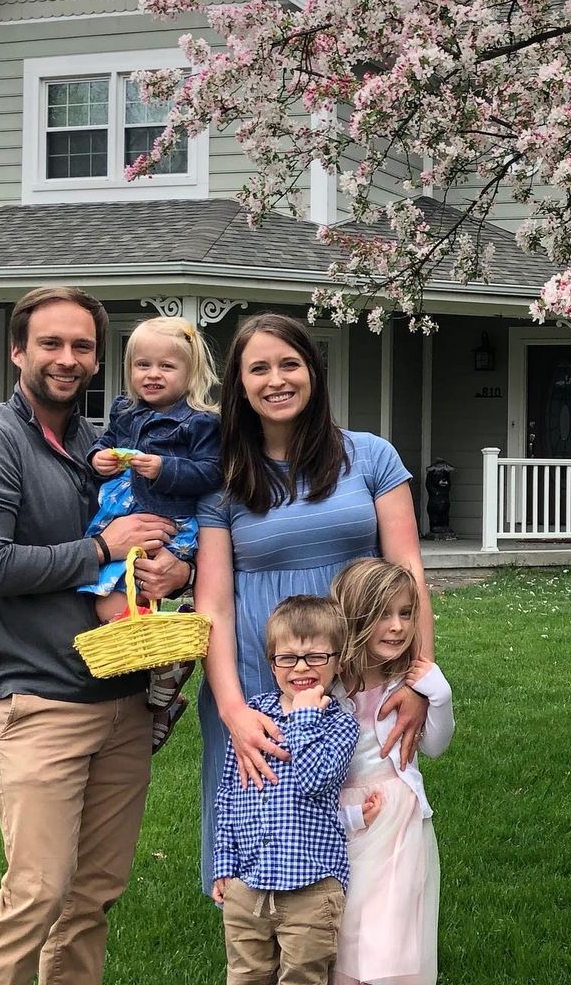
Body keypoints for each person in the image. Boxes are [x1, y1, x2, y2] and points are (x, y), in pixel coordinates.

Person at [0, 286, 190, 985]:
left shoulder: (100, 444)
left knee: (92, 897)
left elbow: (154, 527)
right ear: (18, 351)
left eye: (82, 346)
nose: (67, 359)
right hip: (38, 702)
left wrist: (176, 566)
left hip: (124, 703)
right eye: (50, 343)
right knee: (37, 895)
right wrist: (102, 549)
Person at [195, 313, 435, 893]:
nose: (276, 380)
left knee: (368, 818)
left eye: (290, 364)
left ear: (314, 372)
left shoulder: (371, 457)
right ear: (239, 384)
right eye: (259, 368)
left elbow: (409, 572)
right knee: (265, 836)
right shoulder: (222, 476)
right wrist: (232, 710)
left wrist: (419, 680)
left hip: (363, 675)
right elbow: (213, 607)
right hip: (260, 682)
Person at [81, 316, 221, 739]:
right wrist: (98, 459)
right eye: (143, 365)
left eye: (166, 366)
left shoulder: (200, 422)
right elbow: (104, 443)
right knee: (109, 605)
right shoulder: (125, 411)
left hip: (168, 522)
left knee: (148, 589)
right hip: (120, 517)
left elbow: (212, 471)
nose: (152, 374)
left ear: (190, 372)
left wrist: (165, 468)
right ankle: (162, 687)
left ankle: (166, 680)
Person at [212, 594, 359, 985]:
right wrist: (225, 864)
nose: (301, 668)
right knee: (245, 975)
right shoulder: (252, 717)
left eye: (315, 656)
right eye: (288, 658)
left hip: (312, 888)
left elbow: (314, 781)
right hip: (249, 885)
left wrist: (305, 716)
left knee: (303, 978)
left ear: (338, 661)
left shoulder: (340, 724)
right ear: (272, 662)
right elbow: (228, 795)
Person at [330, 557, 455, 985]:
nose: (398, 627)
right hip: (346, 821)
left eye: (406, 614)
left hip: (400, 822)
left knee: (393, 930)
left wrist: (439, 695)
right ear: (354, 616)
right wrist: (346, 815)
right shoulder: (329, 690)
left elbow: (434, 746)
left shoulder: (409, 685)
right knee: (347, 927)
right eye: (384, 615)